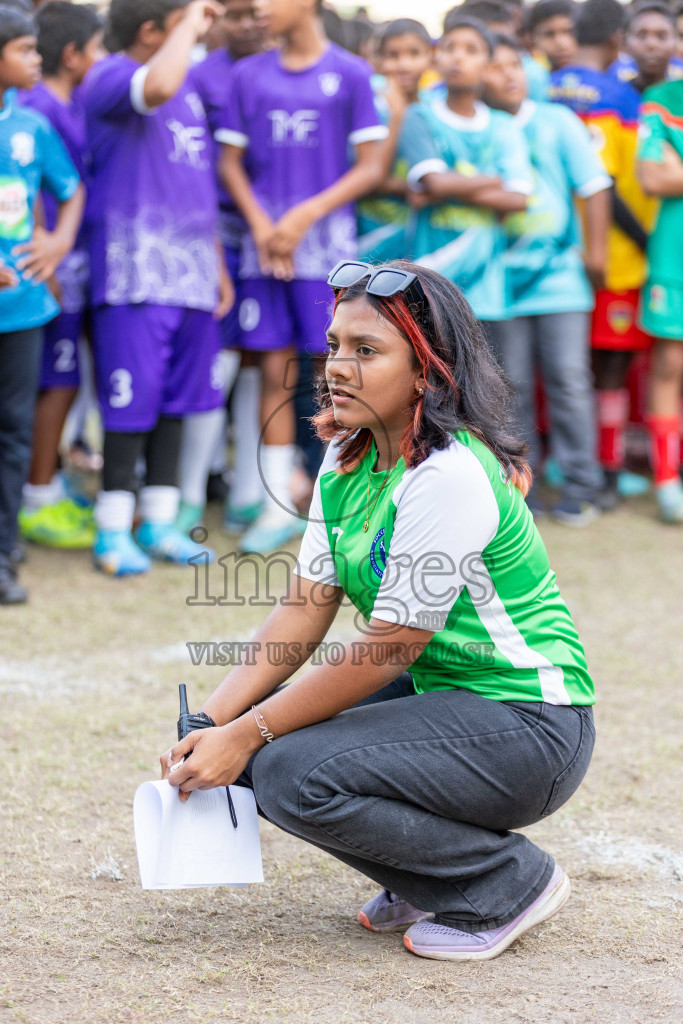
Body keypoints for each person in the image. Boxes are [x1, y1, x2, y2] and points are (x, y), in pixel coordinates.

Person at [161, 260, 596, 962]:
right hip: (453, 703)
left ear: (425, 371)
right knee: (252, 748)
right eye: (335, 346)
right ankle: (428, 875)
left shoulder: (446, 472)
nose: (338, 366)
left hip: (531, 726)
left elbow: (389, 647)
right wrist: (212, 722)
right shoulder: (344, 454)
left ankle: (505, 882)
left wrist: (249, 733)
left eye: (366, 351)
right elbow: (304, 607)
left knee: (284, 768)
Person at [218, 0, 387, 555]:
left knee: (337, 373)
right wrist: (266, 225)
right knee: (274, 369)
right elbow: (229, 164)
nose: (260, 8)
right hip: (265, 252)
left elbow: (372, 165)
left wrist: (304, 215)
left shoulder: (352, 73)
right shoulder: (247, 75)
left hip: (326, 255)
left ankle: (344, 499)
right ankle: (275, 504)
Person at [82, 0, 233, 576]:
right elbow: (159, 80)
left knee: (178, 401)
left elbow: (196, 186)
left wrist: (216, 265)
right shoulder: (112, 76)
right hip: (134, 273)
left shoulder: (190, 87)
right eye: (185, 24)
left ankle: (159, 520)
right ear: (152, 30)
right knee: (129, 401)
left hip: (192, 276)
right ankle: (112, 528)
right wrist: (189, 19)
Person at [484, 35, 610, 524]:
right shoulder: (484, 129)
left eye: (514, 64)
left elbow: (595, 186)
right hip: (501, 286)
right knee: (509, 385)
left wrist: (596, 256)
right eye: (495, 67)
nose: (509, 74)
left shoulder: (557, 121)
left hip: (562, 280)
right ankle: (523, 486)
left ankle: (583, 482)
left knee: (569, 379)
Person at [551, 0, 656, 509]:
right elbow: (606, 184)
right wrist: (645, 239)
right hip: (609, 257)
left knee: (567, 367)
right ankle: (607, 467)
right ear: (618, 40)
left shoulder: (544, 87)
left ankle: (567, 460)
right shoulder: (619, 95)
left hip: (554, 253)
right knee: (608, 368)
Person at [0, 4, 84, 603]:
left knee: (13, 431)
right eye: (26, 49)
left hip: (22, 312)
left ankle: (4, 555)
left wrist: (55, 243)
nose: (37, 59)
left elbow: (71, 189)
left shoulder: (31, 125)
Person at [175, 0, 267, 536]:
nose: (249, 22)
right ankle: (189, 490)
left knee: (264, 357)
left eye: (258, 11)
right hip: (216, 237)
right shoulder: (196, 77)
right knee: (218, 358)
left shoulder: (289, 70)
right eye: (235, 13)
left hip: (277, 235)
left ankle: (250, 490)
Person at [16, 1, 104, 551]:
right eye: (96, 50)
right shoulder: (36, 109)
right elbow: (36, 194)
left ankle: (43, 482)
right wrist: (49, 254)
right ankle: (37, 495)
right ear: (72, 56)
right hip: (48, 274)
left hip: (72, 268)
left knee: (62, 379)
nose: (102, 61)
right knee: (57, 379)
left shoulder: (66, 104)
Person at [399, 14, 533, 327]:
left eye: (471, 50)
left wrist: (444, 189)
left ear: (487, 67)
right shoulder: (419, 116)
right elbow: (433, 182)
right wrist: (493, 181)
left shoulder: (503, 126)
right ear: (437, 58)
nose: (458, 56)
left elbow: (518, 199)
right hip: (428, 287)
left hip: (486, 290)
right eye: (450, 47)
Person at [637, 80, 683, 521]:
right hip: (676, 252)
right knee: (671, 364)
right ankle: (668, 481)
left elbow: (674, 175)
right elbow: (653, 176)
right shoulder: (664, 98)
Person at [356, 18, 433, 263]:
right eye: (393, 55)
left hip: (419, 246)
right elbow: (370, 177)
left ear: (430, 57)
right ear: (377, 60)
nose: (404, 65)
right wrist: (397, 115)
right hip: (370, 240)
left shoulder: (434, 109)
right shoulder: (371, 106)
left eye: (414, 54)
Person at [461, 0, 551, 100]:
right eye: (493, 42)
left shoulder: (532, 73)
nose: (502, 49)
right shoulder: (456, 82)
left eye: (507, 41)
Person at [526, 0, 577, 72]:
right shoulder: (526, 77)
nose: (561, 44)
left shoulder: (593, 76)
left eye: (569, 32)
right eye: (549, 34)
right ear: (532, 38)